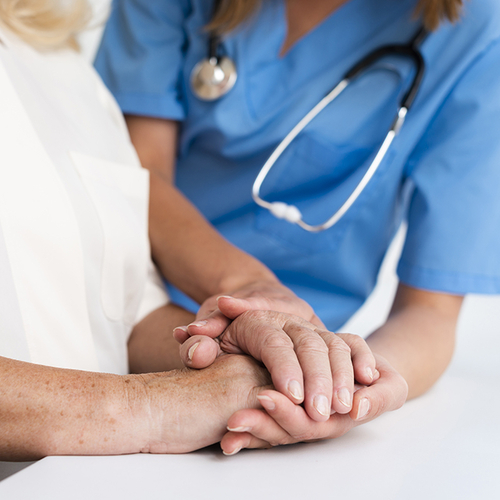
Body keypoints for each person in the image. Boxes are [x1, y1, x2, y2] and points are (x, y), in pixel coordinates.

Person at [0, 0, 406, 460]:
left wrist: (253, 362)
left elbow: (122, 315)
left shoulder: (57, 66)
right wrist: (150, 406)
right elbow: (142, 402)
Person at [94, 0, 500, 454]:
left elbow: (430, 313)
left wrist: (354, 383)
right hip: (127, 310)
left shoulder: (478, 36)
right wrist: (249, 289)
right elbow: (135, 177)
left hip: (290, 374)